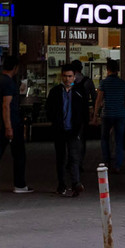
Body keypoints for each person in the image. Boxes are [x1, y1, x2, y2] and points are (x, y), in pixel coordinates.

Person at [47, 64, 89, 197]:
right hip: (59, 129)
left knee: (74, 157)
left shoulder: (79, 92)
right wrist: (55, 121)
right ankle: (62, 184)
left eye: (70, 76)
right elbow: (49, 109)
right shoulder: (55, 92)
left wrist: (82, 127)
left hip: (74, 130)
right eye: (65, 76)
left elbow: (85, 111)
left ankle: (75, 183)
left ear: (74, 77)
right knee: (61, 158)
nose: (67, 79)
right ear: (61, 76)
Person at [0, 56, 32, 194]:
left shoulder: (0, 80)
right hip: (11, 124)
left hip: (2, 123)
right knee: (19, 155)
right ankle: (20, 184)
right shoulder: (9, 83)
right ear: (15, 68)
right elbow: (6, 105)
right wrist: (9, 127)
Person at [94, 59, 125, 172]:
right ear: (117, 70)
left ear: (107, 69)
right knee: (119, 140)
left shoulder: (103, 83)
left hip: (107, 114)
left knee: (105, 138)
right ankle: (118, 165)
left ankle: (106, 161)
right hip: (120, 114)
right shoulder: (123, 83)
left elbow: (99, 100)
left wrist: (95, 115)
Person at [70, 60, 95, 168]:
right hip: (83, 113)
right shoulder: (88, 81)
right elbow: (94, 97)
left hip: (71, 113)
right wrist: (94, 113)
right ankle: (79, 162)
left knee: (71, 138)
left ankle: (71, 160)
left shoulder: (70, 81)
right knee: (82, 138)